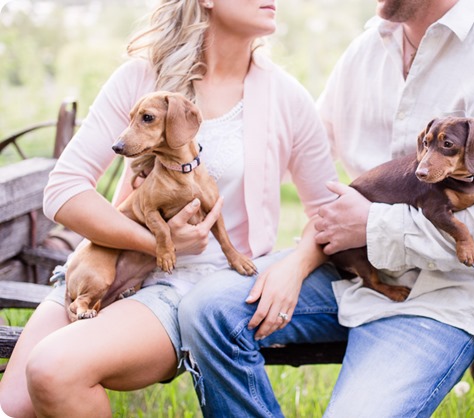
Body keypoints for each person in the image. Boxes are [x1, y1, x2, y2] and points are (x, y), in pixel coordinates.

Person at [178, 0, 474, 416]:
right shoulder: (365, 50)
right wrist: (300, 258)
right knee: (208, 311)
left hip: (442, 298)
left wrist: (373, 226)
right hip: (354, 276)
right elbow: (306, 155)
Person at [0, 0, 339, 416]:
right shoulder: (141, 78)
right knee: (11, 407)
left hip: (189, 288)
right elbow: (64, 190)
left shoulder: (287, 97)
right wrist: (151, 241)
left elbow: (328, 213)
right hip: (105, 263)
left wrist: (292, 267)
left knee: (53, 370)